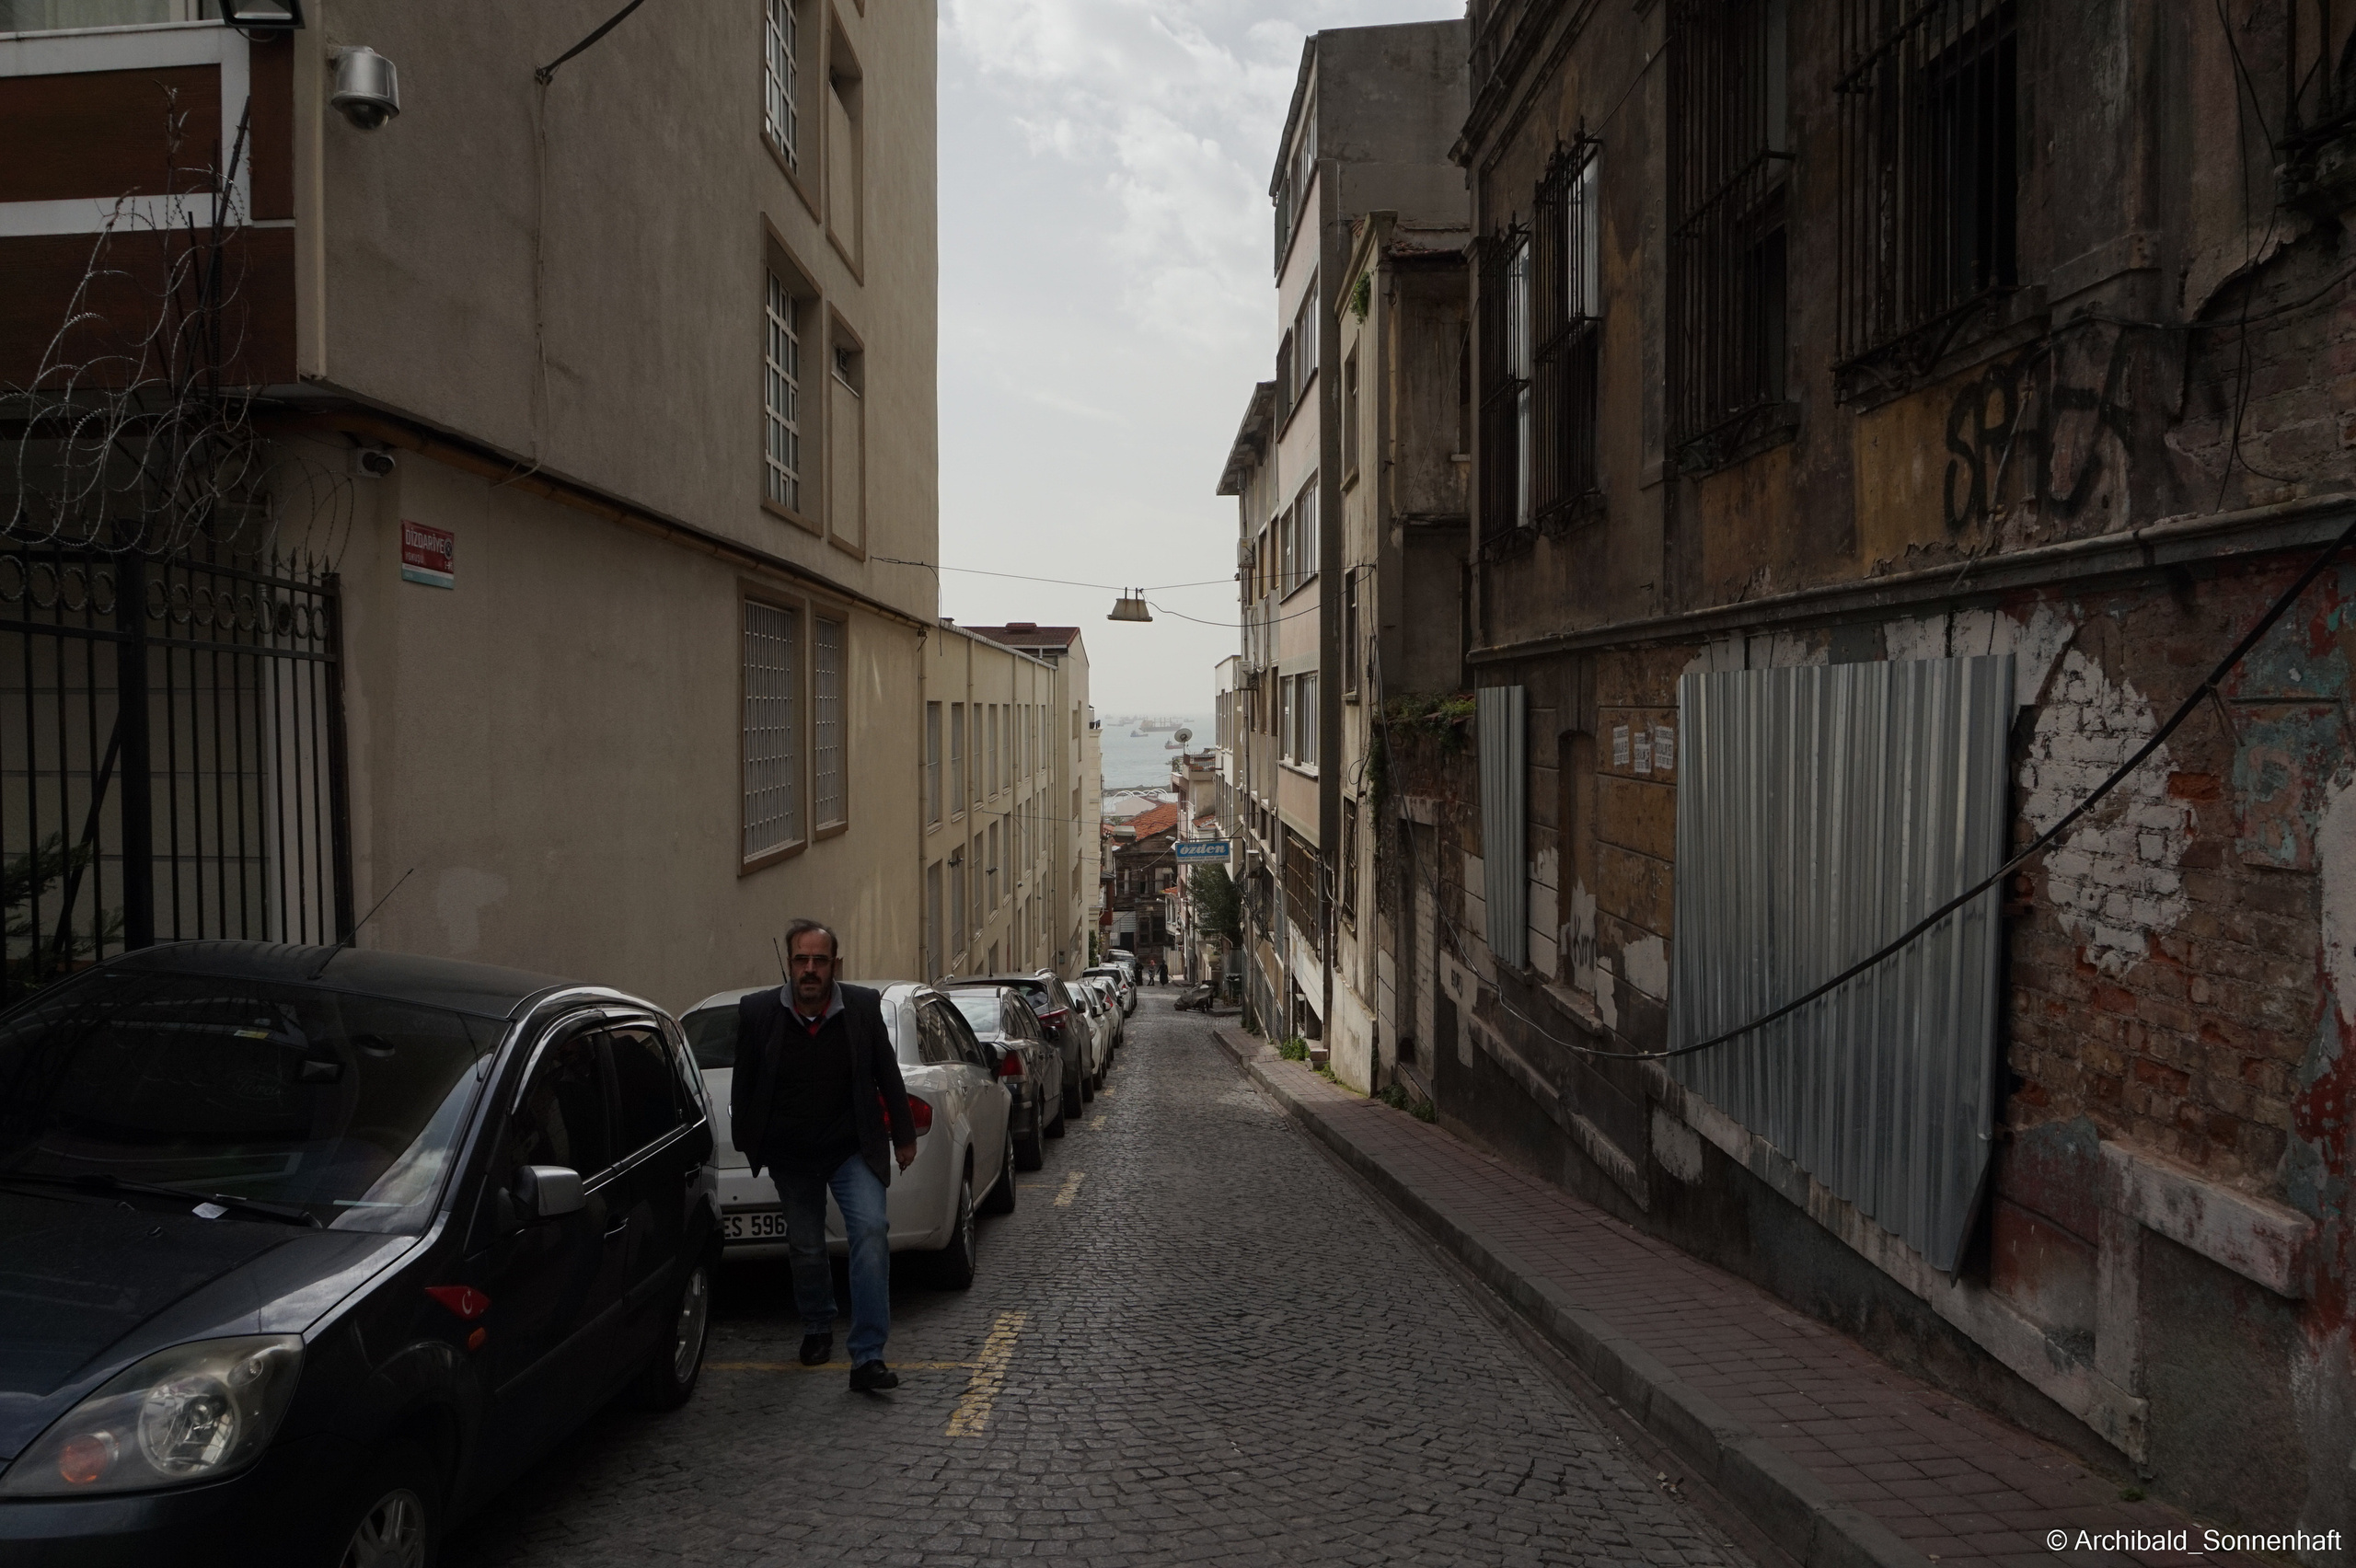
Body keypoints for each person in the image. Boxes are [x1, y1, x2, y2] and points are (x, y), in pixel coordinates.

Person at [730, 919, 918, 1392]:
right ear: (789, 962)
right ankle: (817, 1325)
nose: (809, 970)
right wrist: (749, 1140)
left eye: (819, 960)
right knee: (807, 1247)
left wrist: (903, 1135)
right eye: (801, 959)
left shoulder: (860, 1006)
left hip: (851, 1148)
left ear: (835, 964)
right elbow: (745, 1083)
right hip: (792, 1155)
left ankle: (868, 1357)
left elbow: (886, 1073)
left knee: (871, 1231)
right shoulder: (757, 1014)